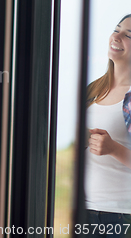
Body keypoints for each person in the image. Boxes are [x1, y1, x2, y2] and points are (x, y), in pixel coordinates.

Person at [85, 14, 131, 237]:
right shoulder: (94, 89)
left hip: (119, 216)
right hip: (85, 210)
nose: (117, 36)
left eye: (128, 35)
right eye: (117, 29)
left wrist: (113, 148)